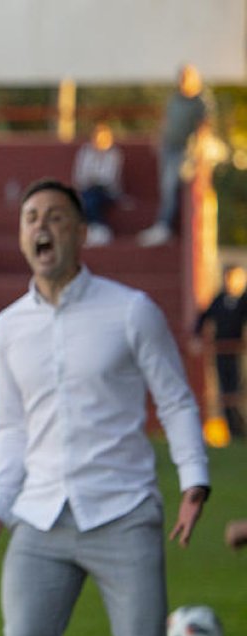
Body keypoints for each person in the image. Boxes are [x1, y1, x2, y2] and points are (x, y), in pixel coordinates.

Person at [0, 178, 211, 636]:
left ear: (81, 232)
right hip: (39, 518)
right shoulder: (7, 327)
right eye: (31, 218)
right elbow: (11, 428)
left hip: (124, 512)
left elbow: (176, 401)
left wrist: (194, 479)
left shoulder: (132, 311)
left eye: (55, 217)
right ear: (22, 236)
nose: (41, 227)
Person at [138, 64, 210, 247]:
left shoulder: (201, 102)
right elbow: (166, 120)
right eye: (181, 77)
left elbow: (203, 129)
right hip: (167, 147)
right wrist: (159, 138)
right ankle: (163, 226)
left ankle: (164, 226)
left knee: (169, 185)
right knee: (165, 186)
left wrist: (199, 155)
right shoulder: (175, 98)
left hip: (184, 151)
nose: (182, 81)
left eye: (186, 77)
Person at [193, 265, 247, 438]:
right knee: (225, 390)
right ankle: (233, 429)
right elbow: (203, 317)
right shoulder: (219, 299)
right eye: (229, 278)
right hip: (222, 351)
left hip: (240, 353)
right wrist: (196, 337)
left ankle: (241, 427)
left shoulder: (244, 301)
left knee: (238, 389)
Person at [71, 122, 123, 247]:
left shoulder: (114, 154)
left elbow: (109, 179)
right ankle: (94, 229)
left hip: (107, 192)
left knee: (92, 197)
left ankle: (99, 229)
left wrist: (94, 179)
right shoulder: (85, 152)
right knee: (87, 197)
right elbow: (79, 177)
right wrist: (92, 179)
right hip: (87, 190)